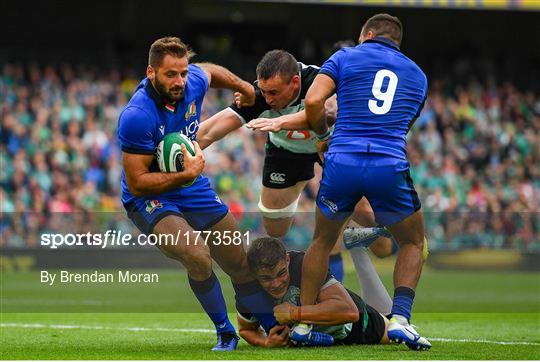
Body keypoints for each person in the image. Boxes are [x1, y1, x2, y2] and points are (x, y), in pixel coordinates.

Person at [117, 37, 277, 351]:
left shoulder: (192, 82)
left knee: (239, 262)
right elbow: (137, 182)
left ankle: (272, 326)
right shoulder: (137, 115)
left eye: (183, 73)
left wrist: (245, 87)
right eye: (170, 75)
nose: (179, 81)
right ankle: (225, 331)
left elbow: (210, 71)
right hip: (150, 196)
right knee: (198, 256)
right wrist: (185, 174)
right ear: (151, 73)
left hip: (192, 185)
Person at [197, 50, 392, 284]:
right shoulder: (259, 95)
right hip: (285, 152)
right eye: (264, 91)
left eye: (274, 93)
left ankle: (375, 233)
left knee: (367, 216)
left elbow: (327, 114)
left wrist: (279, 122)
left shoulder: (321, 81)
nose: (268, 99)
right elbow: (210, 131)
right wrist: (182, 149)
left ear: (295, 82)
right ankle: (343, 223)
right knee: (276, 228)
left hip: (330, 146)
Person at [299, 14, 432, 350]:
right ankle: (400, 318)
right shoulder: (417, 74)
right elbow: (403, 124)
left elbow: (314, 101)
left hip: (342, 161)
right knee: (414, 242)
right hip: (388, 164)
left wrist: (323, 135)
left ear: (368, 34)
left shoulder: (345, 56)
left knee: (321, 242)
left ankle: (302, 323)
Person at [236, 236, 391, 347]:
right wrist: (265, 342)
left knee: (398, 334)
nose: (276, 284)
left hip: (364, 327)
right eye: (266, 278)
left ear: (287, 259)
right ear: (254, 275)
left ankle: (358, 248)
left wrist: (293, 313)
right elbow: (245, 329)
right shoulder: (251, 289)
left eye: (281, 273)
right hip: (327, 340)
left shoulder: (304, 265)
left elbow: (350, 312)